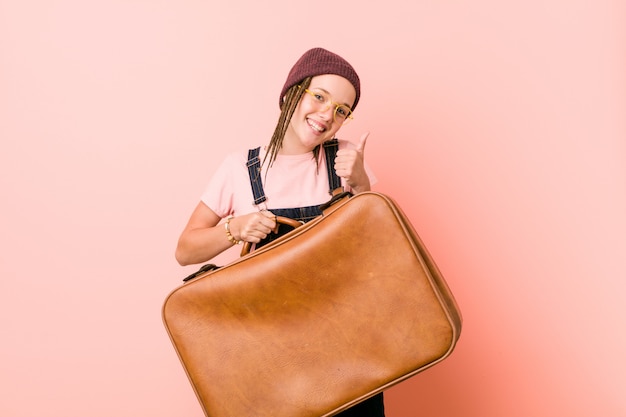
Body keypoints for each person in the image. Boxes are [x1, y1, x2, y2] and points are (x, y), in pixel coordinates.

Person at [175, 47, 384, 417]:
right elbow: (185, 251)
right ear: (291, 93)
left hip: (348, 345)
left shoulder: (345, 161)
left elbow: (381, 250)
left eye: (341, 111)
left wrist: (363, 185)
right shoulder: (240, 167)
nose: (326, 115)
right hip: (274, 349)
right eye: (319, 97)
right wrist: (234, 228)